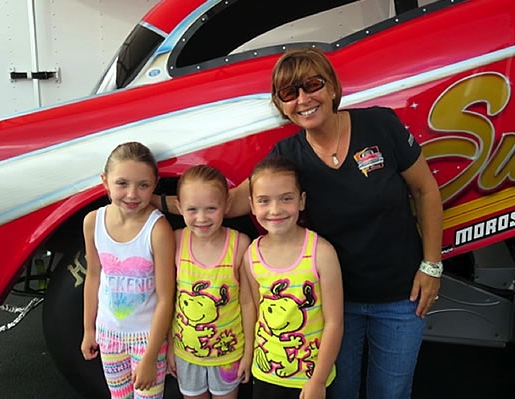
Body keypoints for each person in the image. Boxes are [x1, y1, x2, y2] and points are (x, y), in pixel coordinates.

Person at [227, 47, 444, 399]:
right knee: (339, 391)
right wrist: (157, 199)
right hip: (332, 306)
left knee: (390, 392)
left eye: (312, 85)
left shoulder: (380, 124)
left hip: (402, 295)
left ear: (331, 87)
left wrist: (432, 266)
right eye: (289, 93)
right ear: (281, 105)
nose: (303, 99)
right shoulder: (287, 155)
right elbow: (235, 200)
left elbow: (425, 190)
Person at [81, 142, 176, 399]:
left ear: (154, 185)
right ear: (105, 181)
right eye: (122, 183)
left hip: (147, 339)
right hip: (108, 335)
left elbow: (166, 297)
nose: (132, 194)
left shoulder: (158, 230)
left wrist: (151, 354)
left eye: (143, 185)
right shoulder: (93, 222)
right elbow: (93, 277)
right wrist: (89, 329)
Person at [243, 157, 343, 399]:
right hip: (265, 373)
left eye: (286, 198)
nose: (275, 209)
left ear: (302, 201)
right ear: (252, 206)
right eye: (264, 201)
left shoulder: (322, 253)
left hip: (310, 379)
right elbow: (255, 310)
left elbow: (334, 323)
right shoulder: (251, 255)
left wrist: (318, 380)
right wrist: (248, 355)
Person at [167, 165, 255, 399]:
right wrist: (168, 348)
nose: (202, 218)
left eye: (211, 208)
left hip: (229, 354)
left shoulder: (240, 245)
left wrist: (248, 351)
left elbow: (247, 303)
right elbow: (168, 300)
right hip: (186, 355)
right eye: (192, 209)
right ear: (179, 207)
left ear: (226, 205)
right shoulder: (175, 242)